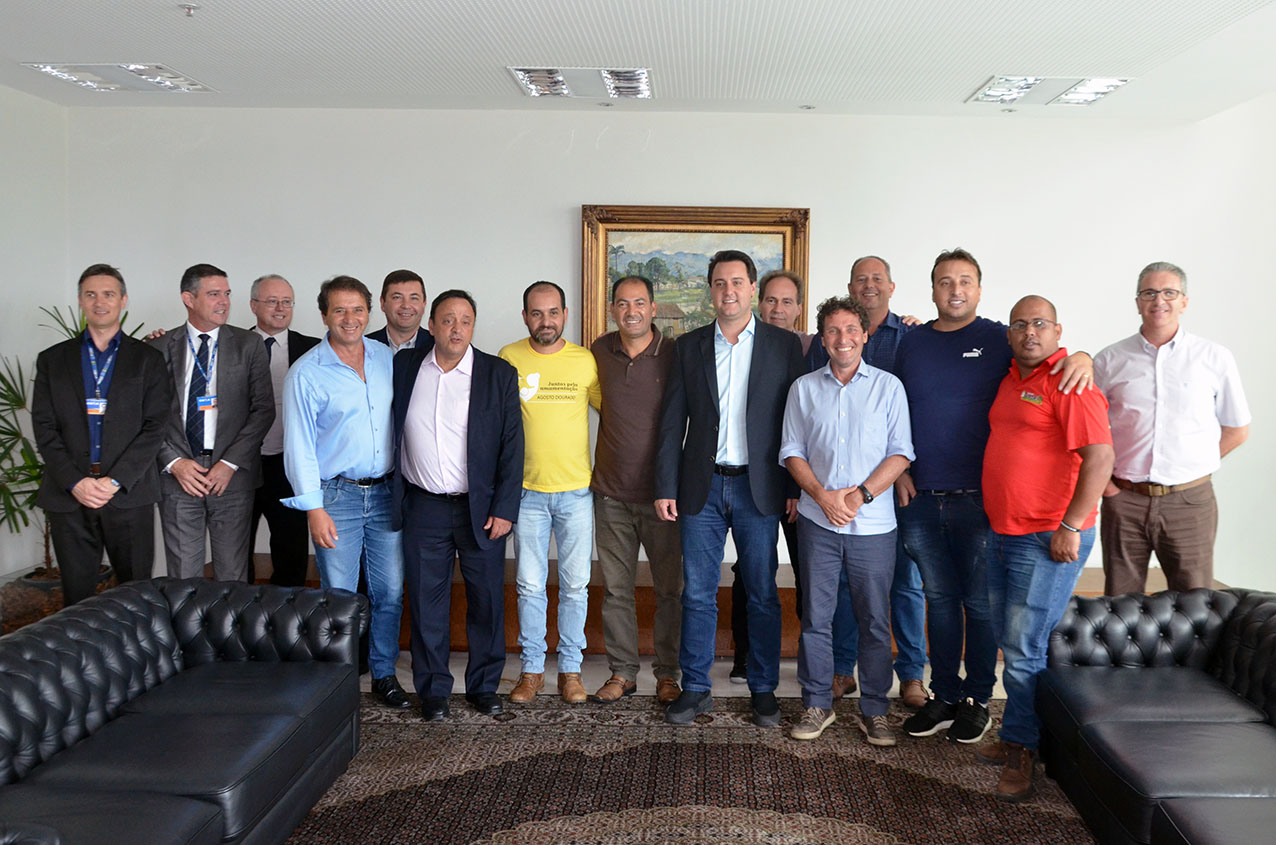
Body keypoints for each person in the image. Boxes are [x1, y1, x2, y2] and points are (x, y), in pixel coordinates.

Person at [894, 248, 1093, 745]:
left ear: (979, 290)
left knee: (980, 605)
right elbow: (891, 410)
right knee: (939, 601)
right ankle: (944, 693)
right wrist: (900, 472)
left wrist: (1084, 357)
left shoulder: (1000, 338)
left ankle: (978, 699)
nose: (955, 289)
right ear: (932, 289)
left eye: (965, 280)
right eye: (945, 281)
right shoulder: (911, 343)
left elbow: (1046, 355)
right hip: (921, 496)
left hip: (982, 501)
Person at [656, 249, 803, 727]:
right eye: (720, 283)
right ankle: (696, 688)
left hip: (759, 488)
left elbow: (798, 421)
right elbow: (672, 421)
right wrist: (665, 486)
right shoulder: (689, 346)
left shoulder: (784, 346)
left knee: (761, 591)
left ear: (753, 289)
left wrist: (795, 487)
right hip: (701, 487)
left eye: (737, 282)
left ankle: (763, 688)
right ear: (711, 290)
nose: (729, 291)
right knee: (697, 593)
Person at [976, 295, 1114, 801]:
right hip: (1004, 532)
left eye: (1039, 324)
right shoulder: (1011, 379)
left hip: (1048, 536)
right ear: (1009, 333)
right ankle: (1018, 729)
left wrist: (1071, 525)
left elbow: (1100, 458)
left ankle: (1023, 749)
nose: (1029, 332)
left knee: (1023, 647)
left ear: (1058, 331)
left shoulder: (1071, 382)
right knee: (1013, 643)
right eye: (1020, 324)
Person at [781, 296, 913, 746]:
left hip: (873, 526)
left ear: (865, 334)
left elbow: (901, 453)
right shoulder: (803, 389)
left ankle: (875, 709)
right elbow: (791, 451)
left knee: (874, 620)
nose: (843, 339)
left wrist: (859, 496)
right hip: (817, 522)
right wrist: (821, 496)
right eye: (833, 331)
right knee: (816, 618)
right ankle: (817, 703)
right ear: (822, 339)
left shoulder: (889, 388)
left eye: (851, 329)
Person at [392, 290, 523, 720]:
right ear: (431, 325)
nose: (457, 329)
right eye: (448, 320)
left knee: (486, 601)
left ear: (473, 326)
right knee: (426, 602)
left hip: (481, 509)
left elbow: (512, 446)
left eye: (465, 321)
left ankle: (484, 686)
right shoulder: (405, 366)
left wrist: (505, 509)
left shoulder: (497, 373)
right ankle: (433, 690)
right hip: (424, 506)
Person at [806, 256, 929, 709]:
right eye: (861, 279)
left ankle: (911, 674)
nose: (869, 285)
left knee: (903, 583)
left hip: (896, 484)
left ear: (892, 287)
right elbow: (811, 424)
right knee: (842, 588)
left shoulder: (913, 336)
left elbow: (910, 414)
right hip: (832, 496)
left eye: (878, 279)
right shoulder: (821, 351)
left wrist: (898, 474)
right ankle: (841, 670)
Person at [282, 276, 410, 710]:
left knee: (389, 592)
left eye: (357, 309)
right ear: (324, 316)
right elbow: (299, 447)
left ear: (369, 313)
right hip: (336, 497)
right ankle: (338, 681)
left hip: (386, 494)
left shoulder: (386, 358)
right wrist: (313, 508)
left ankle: (384, 674)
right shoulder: (307, 372)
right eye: (339, 310)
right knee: (339, 597)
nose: (350, 318)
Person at [1094, 261, 1250, 595]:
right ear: (1138, 302)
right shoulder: (1109, 360)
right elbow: (1087, 429)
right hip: (1125, 500)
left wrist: (1193, 465)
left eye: (1169, 293)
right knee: (1120, 604)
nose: (1159, 301)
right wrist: (1106, 486)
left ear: (1184, 301)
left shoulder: (1214, 357)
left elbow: (1237, 429)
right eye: (1149, 293)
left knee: (1195, 603)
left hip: (1190, 502)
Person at [32, 264, 171, 606]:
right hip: (70, 495)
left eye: (108, 294)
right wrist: (75, 482)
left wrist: (114, 481)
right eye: (90, 294)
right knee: (76, 599)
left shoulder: (148, 359)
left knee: (136, 595)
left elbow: (155, 426)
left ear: (123, 300)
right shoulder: (52, 360)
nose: (99, 302)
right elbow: (44, 428)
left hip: (128, 493)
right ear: (80, 301)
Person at [499, 281, 600, 704]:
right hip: (526, 494)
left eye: (553, 312)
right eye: (537, 313)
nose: (546, 321)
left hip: (576, 492)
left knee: (576, 586)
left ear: (565, 314)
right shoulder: (508, 357)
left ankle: (571, 672)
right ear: (525, 316)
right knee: (529, 585)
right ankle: (532, 671)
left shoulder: (584, 360)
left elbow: (617, 413)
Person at [589, 275, 683, 705]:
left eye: (639, 303)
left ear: (653, 308)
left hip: (664, 497)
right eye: (623, 304)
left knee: (670, 591)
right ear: (613, 309)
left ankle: (668, 674)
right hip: (611, 494)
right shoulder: (598, 352)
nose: (631, 311)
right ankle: (623, 672)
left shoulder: (675, 354)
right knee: (616, 591)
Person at [151, 264, 274, 582]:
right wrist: (174, 463)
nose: (224, 302)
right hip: (180, 477)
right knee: (184, 578)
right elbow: (147, 417)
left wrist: (229, 463)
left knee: (232, 576)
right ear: (188, 299)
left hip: (231, 477)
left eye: (227, 294)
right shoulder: (158, 347)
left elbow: (263, 410)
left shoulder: (249, 344)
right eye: (214, 294)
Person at [246, 274, 319, 585]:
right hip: (240, 465)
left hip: (289, 466)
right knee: (235, 553)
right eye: (272, 301)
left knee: (291, 553)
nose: (280, 308)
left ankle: (288, 613)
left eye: (287, 302)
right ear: (253, 305)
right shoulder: (232, 344)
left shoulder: (314, 349)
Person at [367, 269, 432, 354]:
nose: (406, 305)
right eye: (397, 297)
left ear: (424, 304)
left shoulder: (438, 346)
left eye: (414, 298)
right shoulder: (364, 346)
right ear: (383, 303)